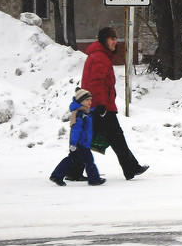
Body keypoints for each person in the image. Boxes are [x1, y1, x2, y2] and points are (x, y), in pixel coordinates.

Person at [68, 26, 149, 181]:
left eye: (115, 39)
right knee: (116, 138)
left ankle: (74, 171)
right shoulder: (99, 57)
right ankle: (130, 167)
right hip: (101, 107)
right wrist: (102, 106)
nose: (115, 42)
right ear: (104, 40)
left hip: (97, 106)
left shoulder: (99, 56)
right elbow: (96, 83)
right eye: (112, 39)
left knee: (93, 138)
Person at [49, 88, 105, 187]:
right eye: (87, 100)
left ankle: (56, 175)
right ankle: (94, 179)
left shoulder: (85, 113)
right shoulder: (79, 115)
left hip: (82, 144)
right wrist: (73, 144)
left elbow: (91, 112)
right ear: (81, 101)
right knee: (89, 161)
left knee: (71, 160)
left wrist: (98, 111)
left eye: (90, 100)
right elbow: (75, 130)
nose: (90, 102)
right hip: (80, 144)